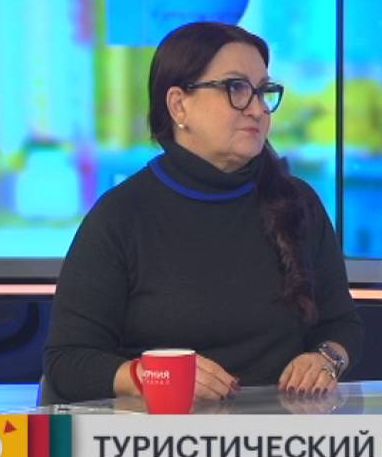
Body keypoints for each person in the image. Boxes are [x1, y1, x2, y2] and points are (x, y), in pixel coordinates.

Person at [42, 22, 363, 404]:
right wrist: (154, 376)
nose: (258, 109)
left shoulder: (298, 203)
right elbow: (67, 361)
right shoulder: (121, 216)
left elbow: (342, 325)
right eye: (236, 88)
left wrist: (326, 359)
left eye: (263, 91)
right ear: (179, 105)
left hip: (282, 433)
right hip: (157, 436)